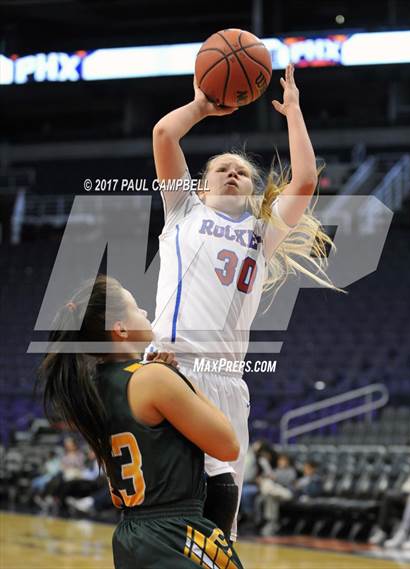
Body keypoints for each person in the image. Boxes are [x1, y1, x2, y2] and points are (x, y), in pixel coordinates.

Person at [152, 63, 337, 540]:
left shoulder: (262, 231)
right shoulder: (181, 212)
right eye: (221, 169)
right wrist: (200, 105)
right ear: (200, 185)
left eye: (242, 172)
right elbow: (164, 135)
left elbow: (304, 183)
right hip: (168, 367)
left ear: (254, 191)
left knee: (219, 526)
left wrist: (293, 112)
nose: (233, 174)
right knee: (165, 512)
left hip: (225, 381)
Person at [39, 275, 243, 568]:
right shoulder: (153, 378)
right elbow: (228, 446)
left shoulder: (91, 392)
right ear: (120, 329)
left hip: (130, 535)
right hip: (175, 532)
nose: (146, 313)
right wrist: (181, 380)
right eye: (136, 308)